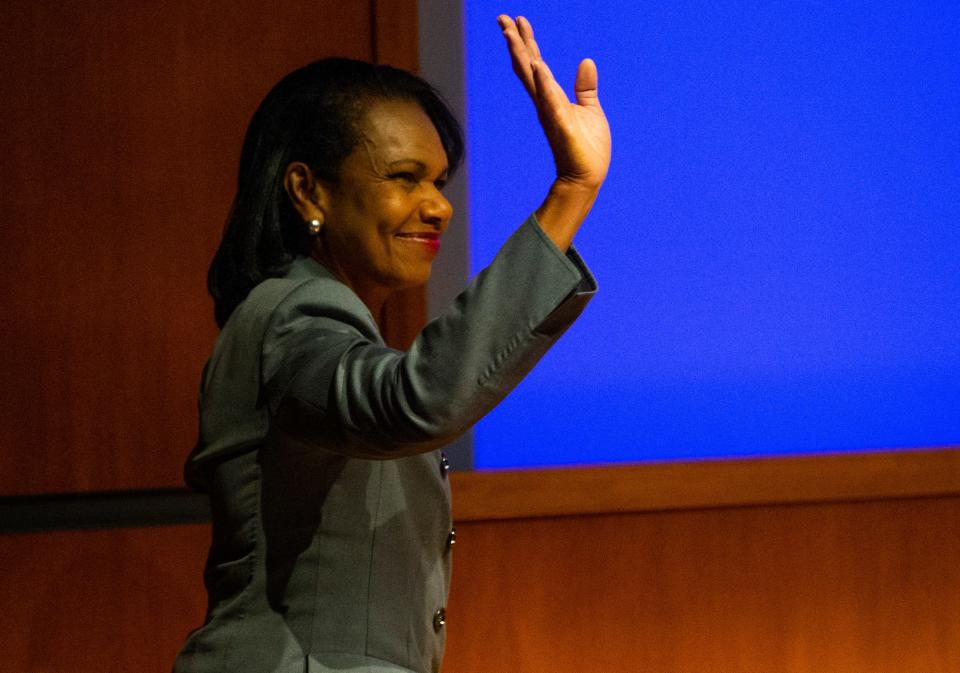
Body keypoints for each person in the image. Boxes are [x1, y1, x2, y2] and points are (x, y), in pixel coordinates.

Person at [173, 15, 611, 673]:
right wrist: (570, 193)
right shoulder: (293, 317)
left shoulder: (310, 317)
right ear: (307, 189)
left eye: (439, 181)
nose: (438, 205)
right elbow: (415, 399)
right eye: (405, 177)